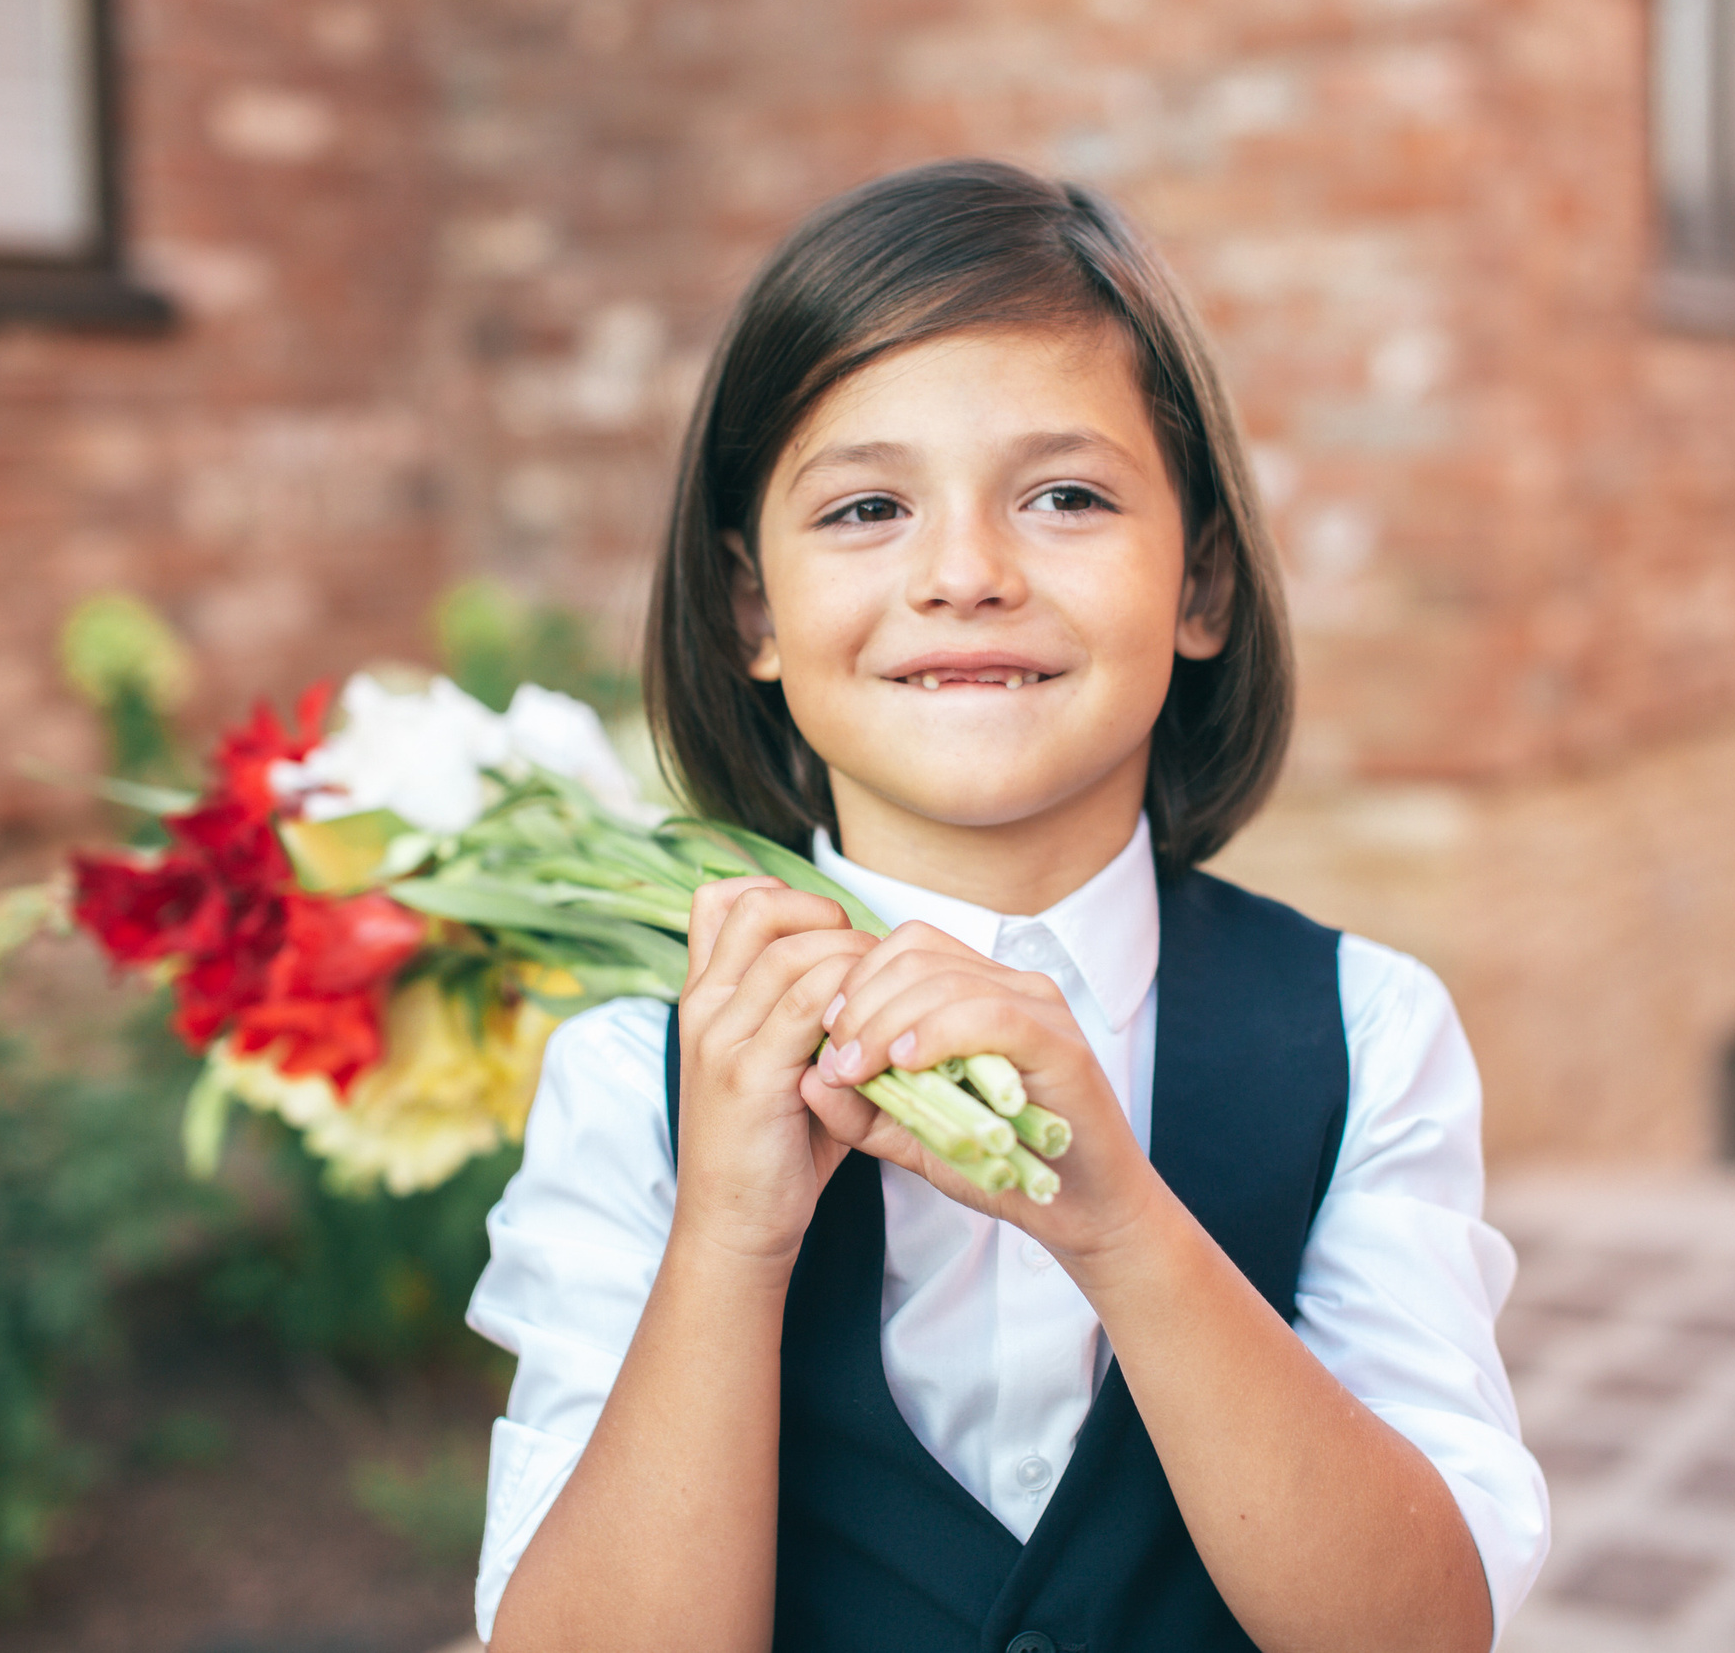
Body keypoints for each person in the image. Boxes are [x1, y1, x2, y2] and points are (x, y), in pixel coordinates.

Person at [468, 159, 1547, 1653]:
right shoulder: (632, 1079)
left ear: (1202, 584)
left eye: (1064, 496)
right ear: (751, 611)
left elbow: (1421, 1631)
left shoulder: (1365, 1031)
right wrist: (726, 1236)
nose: (965, 573)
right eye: (865, 507)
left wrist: (1120, 1229)